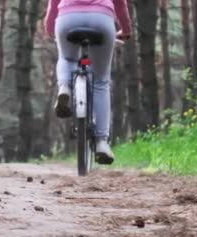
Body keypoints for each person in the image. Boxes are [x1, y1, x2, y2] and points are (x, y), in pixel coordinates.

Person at [44, 0, 132, 165]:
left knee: (67, 58)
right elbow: (120, 3)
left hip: (67, 17)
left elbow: (53, 3)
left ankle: (64, 87)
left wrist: (50, 28)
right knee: (100, 81)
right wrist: (126, 29)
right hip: (101, 18)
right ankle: (101, 142)